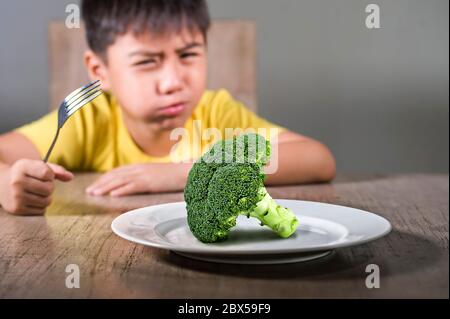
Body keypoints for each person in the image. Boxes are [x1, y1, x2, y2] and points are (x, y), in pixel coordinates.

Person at [0, 0, 335, 215]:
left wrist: (187, 171)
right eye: (148, 61)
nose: (173, 81)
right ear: (100, 71)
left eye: (188, 55)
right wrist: (7, 186)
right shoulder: (88, 120)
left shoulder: (216, 113)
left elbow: (316, 159)